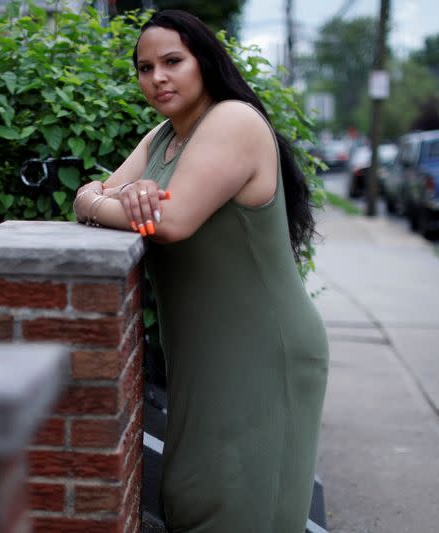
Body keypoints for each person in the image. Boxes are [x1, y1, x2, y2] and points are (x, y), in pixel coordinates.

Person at [72, 10, 329, 533]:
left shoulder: (232, 121)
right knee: (191, 497)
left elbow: (171, 221)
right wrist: (119, 195)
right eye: (145, 68)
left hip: (263, 350)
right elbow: (85, 197)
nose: (157, 78)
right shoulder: (163, 137)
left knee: (237, 507)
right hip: (202, 354)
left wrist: (112, 198)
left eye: (173, 61)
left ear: (204, 62)